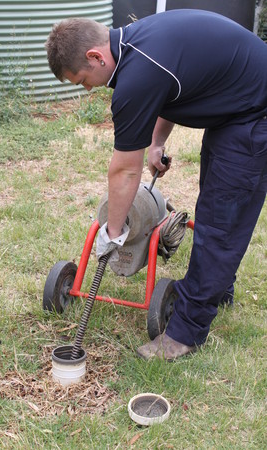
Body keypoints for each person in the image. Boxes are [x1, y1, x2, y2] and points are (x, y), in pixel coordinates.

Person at [45, 10, 267, 360]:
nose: (88, 89)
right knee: (217, 205)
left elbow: (124, 171)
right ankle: (219, 287)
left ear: (95, 56)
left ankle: (185, 333)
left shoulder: (136, 76)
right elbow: (170, 87)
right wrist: (158, 142)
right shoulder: (137, 44)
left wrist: (113, 232)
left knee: (220, 221)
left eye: (83, 80)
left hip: (255, 112)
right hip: (236, 102)